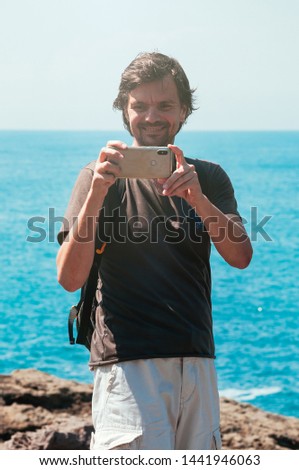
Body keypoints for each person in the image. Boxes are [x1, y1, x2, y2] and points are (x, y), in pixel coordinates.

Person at [56, 52, 253, 450]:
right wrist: (96, 194)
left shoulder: (208, 177)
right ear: (124, 111)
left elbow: (240, 256)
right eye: (139, 106)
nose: (151, 117)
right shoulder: (96, 179)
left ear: (183, 111)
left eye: (164, 105)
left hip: (196, 361)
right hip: (125, 364)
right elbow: (69, 278)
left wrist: (197, 198)